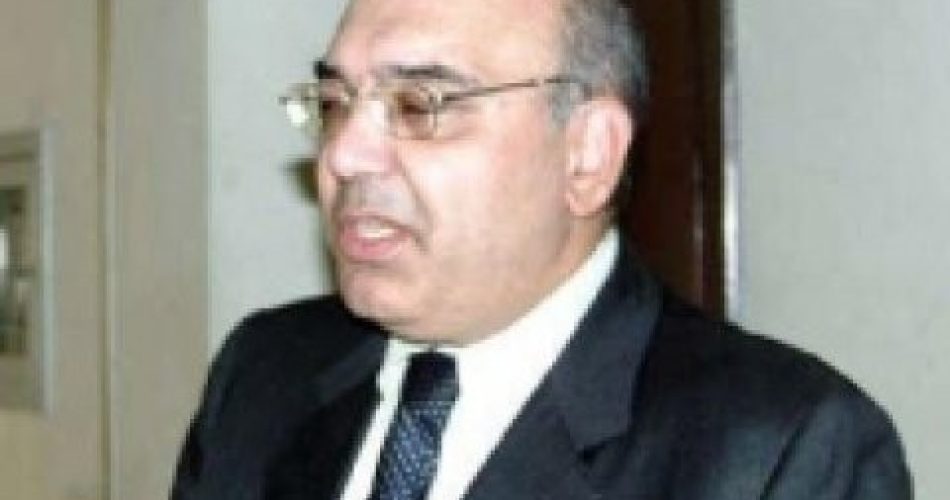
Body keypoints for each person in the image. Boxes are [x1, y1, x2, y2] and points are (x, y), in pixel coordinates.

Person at [172, 0, 912, 498]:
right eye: (335, 104)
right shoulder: (263, 374)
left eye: (420, 105)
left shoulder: (782, 451)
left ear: (587, 154)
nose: (344, 155)